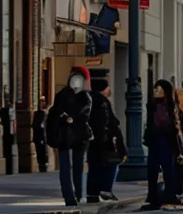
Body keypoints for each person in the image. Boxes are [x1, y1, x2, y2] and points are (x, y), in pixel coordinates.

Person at [46, 68, 95, 206]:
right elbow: (56, 113)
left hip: (78, 136)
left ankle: (78, 194)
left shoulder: (85, 97)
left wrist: (69, 117)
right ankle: (70, 197)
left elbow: (82, 114)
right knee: (66, 168)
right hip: (65, 137)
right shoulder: (62, 95)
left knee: (77, 167)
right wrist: (64, 117)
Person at [143, 80, 183, 211]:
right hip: (156, 138)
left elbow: (173, 125)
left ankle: (169, 195)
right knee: (153, 170)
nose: (156, 92)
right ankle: (153, 196)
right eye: (155, 89)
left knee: (168, 169)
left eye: (158, 90)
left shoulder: (169, 106)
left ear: (165, 91)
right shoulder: (152, 105)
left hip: (166, 139)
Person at [87, 78, 124, 203]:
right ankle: (106, 189)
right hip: (103, 139)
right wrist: (110, 137)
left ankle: (92, 194)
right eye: (108, 88)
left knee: (94, 167)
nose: (109, 90)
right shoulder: (103, 102)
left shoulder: (89, 99)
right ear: (103, 88)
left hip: (91, 139)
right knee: (111, 163)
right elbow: (107, 121)